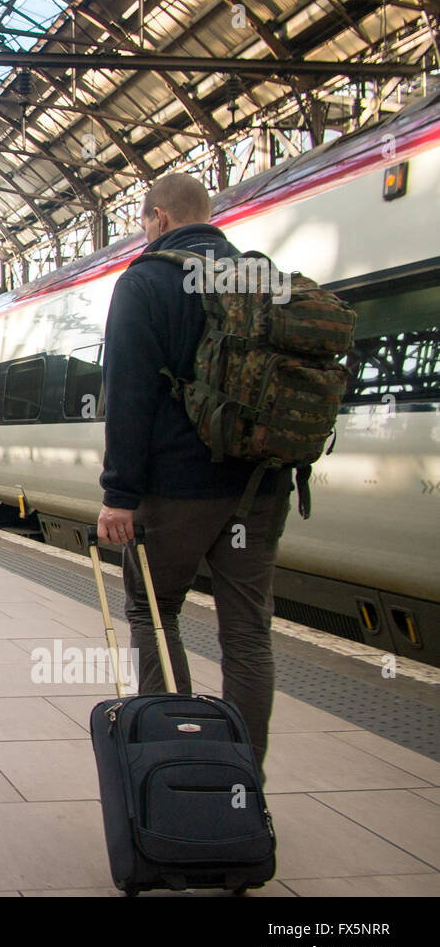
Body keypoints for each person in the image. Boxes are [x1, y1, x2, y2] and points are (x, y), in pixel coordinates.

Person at [96, 172, 293, 772]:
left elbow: (127, 395)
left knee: (154, 612)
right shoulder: (260, 276)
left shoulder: (146, 281)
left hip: (175, 491)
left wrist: (119, 496)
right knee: (248, 634)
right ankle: (244, 779)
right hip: (260, 489)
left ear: (157, 218)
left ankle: (175, 766)